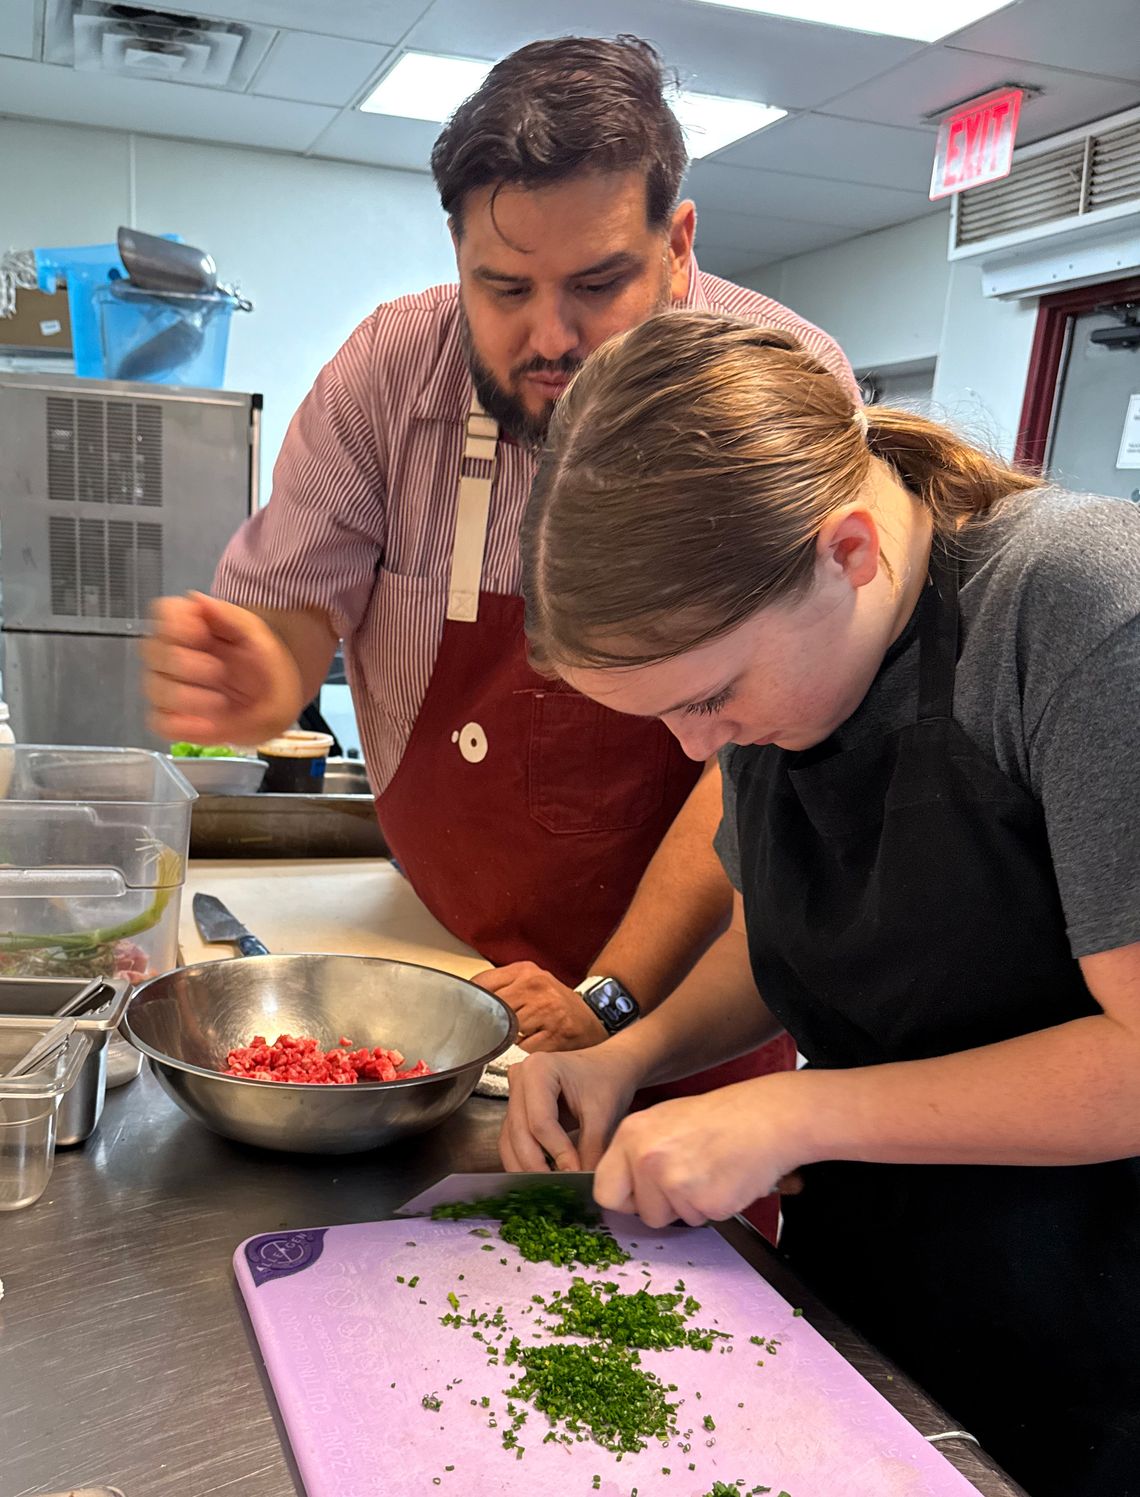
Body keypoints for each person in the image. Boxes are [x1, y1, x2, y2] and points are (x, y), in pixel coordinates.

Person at [142, 36, 856, 1233]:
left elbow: (748, 756)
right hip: (452, 965)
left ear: (680, 247)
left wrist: (614, 998)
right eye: (505, 289)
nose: (550, 339)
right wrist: (255, 674)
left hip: (697, 989)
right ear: (459, 256)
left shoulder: (774, 388)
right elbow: (296, 616)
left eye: (597, 284)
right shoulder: (387, 376)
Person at [502, 311, 1140, 1497]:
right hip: (882, 1299)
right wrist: (625, 1055)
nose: (699, 744)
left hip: (1093, 1331)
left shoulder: (1084, 616)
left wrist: (795, 1117)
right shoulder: (784, 671)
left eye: (712, 696)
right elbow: (786, 939)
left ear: (847, 552)